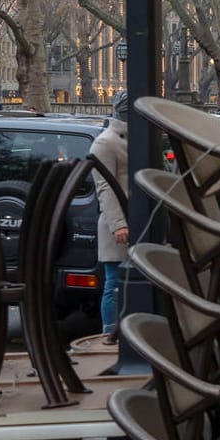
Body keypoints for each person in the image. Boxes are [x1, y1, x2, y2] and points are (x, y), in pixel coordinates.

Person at [90, 91, 132, 343]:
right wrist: (118, 224)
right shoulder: (105, 142)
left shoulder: (138, 137)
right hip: (119, 224)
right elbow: (104, 186)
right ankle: (109, 332)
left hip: (137, 220)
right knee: (114, 282)